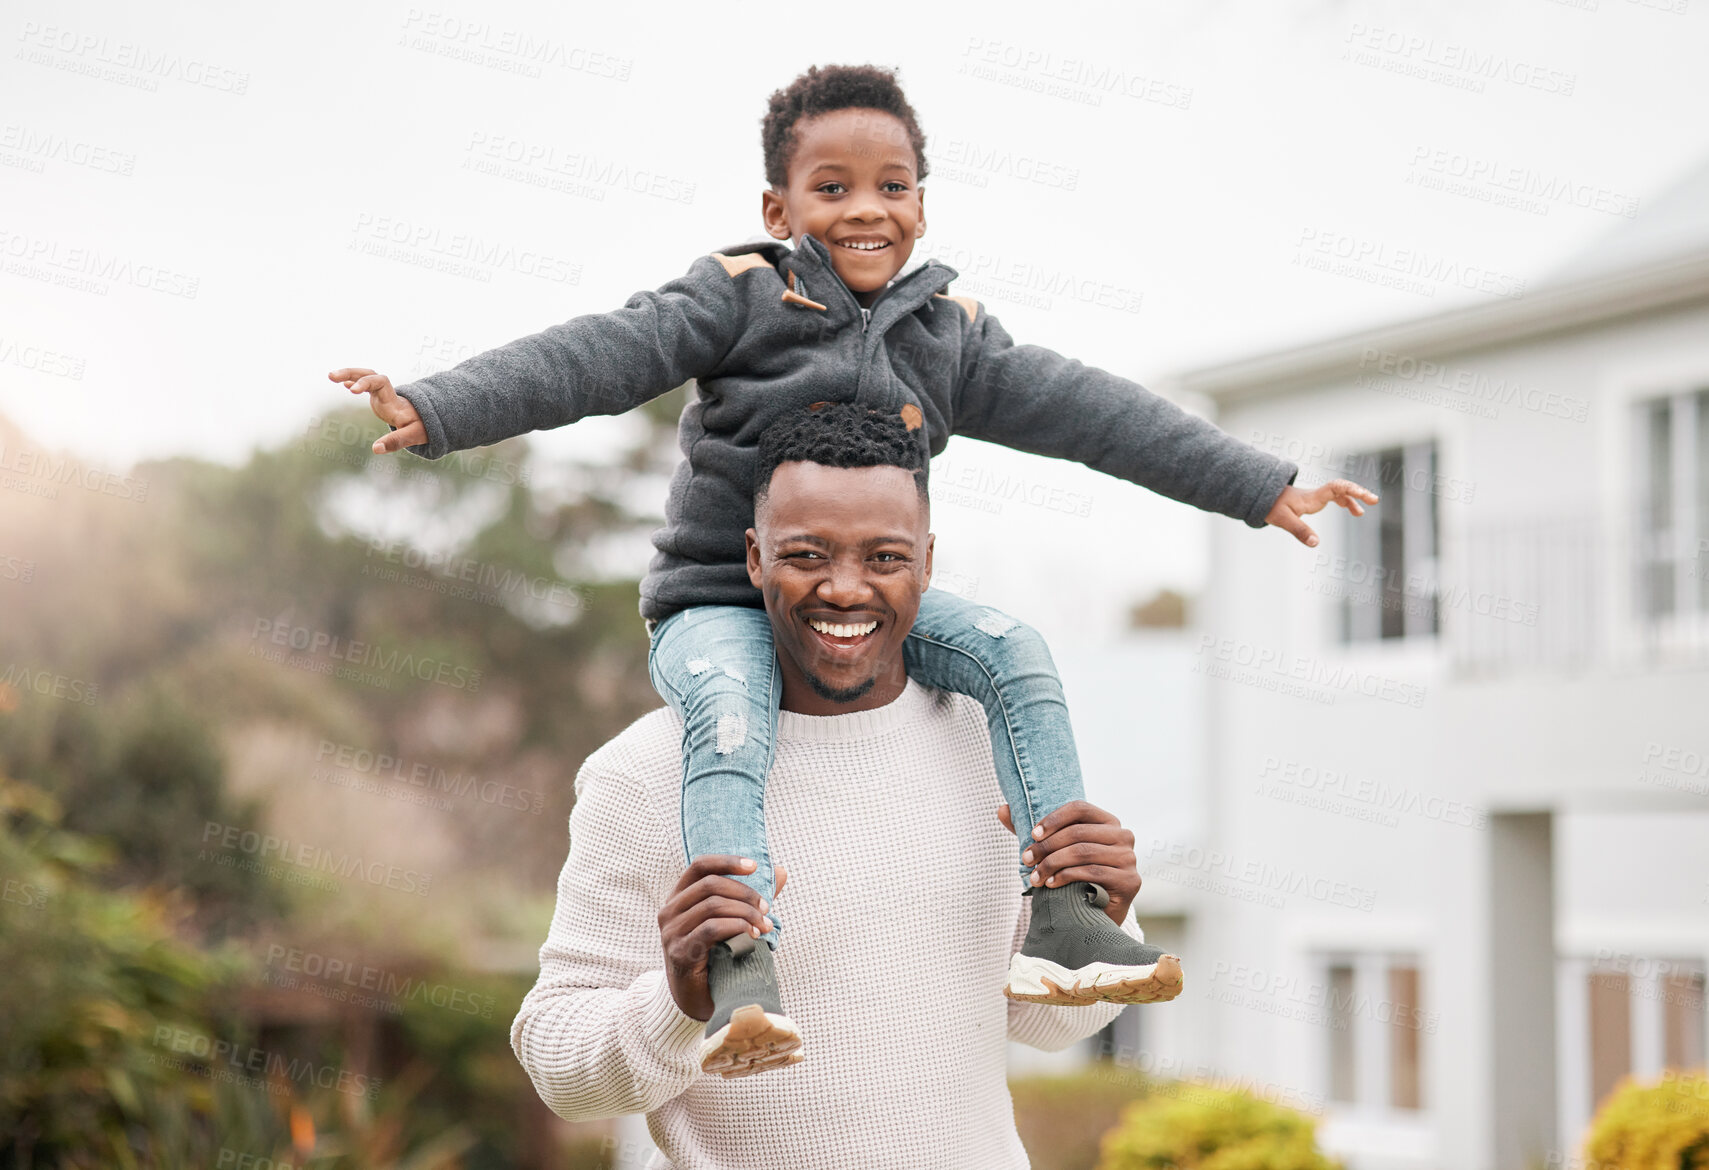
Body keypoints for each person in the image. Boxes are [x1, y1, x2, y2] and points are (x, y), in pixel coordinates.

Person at [329, 63, 1376, 1077]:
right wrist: (440, 407)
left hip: (872, 604)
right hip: (716, 603)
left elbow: (1096, 415)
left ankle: (1063, 919)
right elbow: (594, 357)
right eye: (830, 189)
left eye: (891, 186)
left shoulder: (946, 333)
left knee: (1014, 650)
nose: (864, 210)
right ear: (778, 205)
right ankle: (742, 965)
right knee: (732, 718)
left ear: (922, 200)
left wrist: (1255, 484)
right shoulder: (738, 297)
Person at [510, 402, 1163, 1168]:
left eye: (883, 557)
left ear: (926, 559)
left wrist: (1104, 912)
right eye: (807, 554)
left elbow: (1045, 1027)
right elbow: (560, 1069)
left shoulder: (988, 743)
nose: (845, 590)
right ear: (754, 558)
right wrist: (677, 1003)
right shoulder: (648, 770)